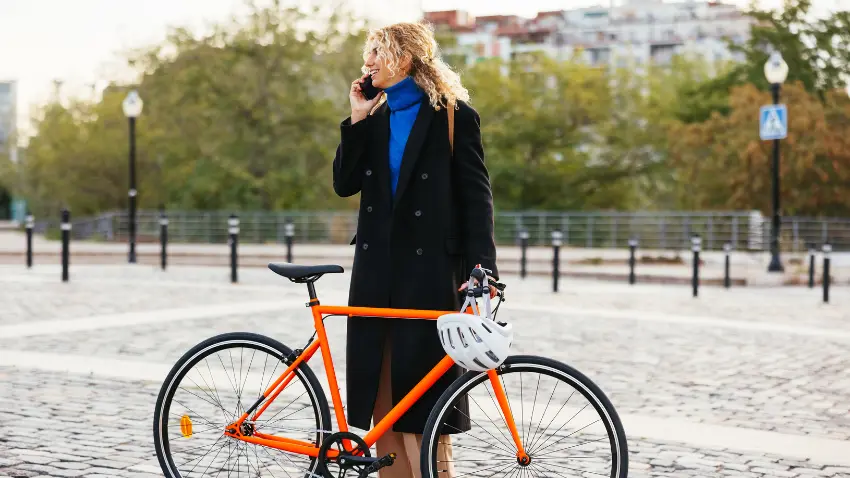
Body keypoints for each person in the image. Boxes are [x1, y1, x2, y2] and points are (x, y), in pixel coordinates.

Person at [332, 21, 499, 478]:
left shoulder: (453, 116)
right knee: (383, 404)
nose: (367, 61)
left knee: (424, 404)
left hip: (427, 275)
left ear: (403, 58)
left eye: (376, 52)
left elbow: (477, 198)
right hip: (376, 273)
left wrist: (483, 269)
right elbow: (344, 184)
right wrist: (357, 117)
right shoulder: (375, 117)